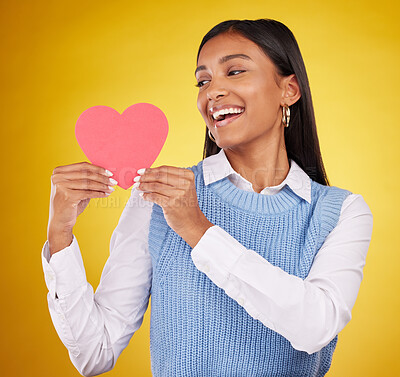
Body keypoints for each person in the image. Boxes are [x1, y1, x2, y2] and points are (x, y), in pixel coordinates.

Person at [42, 19, 373, 377]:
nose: (212, 92)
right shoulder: (156, 200)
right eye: (203, 81)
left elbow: (315, 327)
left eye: (234, 71)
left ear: (288, 90)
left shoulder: (341, 212)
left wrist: (197, 229)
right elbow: (95, 353)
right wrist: (59, 236)